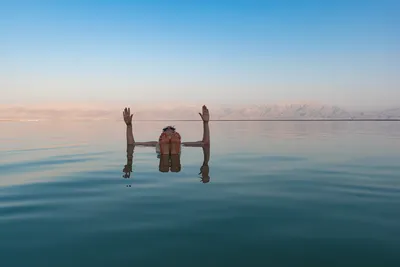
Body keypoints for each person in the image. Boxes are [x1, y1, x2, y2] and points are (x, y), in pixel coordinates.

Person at [122, 105, 211, 174]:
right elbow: (132, 144)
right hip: (170, 150)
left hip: (162, 152)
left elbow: (131, 145)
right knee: (173, 154)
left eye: (171, 131)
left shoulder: (162, 143)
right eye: (166, 131)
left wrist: (206, 123)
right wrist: (129, 125)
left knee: (165, 153)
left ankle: (167, 153)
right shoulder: (163, 143)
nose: (168, 133)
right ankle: (171, 153)